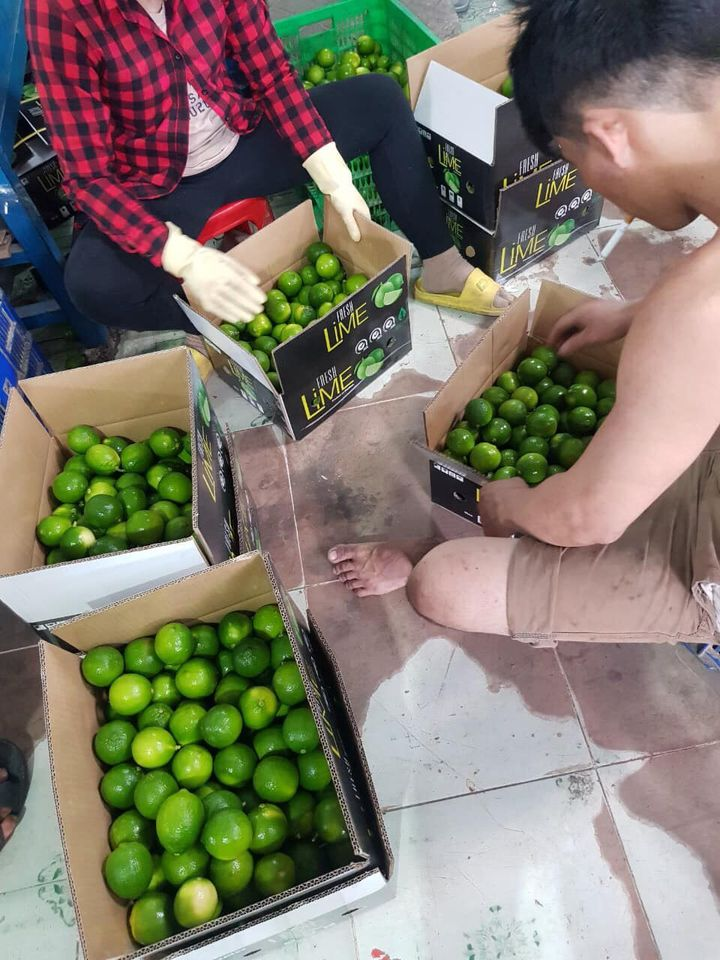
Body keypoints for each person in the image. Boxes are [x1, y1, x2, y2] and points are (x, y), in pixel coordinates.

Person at [329, 0, 720, 647]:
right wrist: (638, 315)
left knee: (444, 583)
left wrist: (508, 503)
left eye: (573, 161)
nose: (600, 192)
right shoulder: (691, 309)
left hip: (705, 557)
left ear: (610, 135)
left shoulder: (695, 311)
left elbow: (585, 516)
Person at [25, 0, 511, 335]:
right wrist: (180, 256)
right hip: (157, 182)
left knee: (380, 101)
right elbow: (88, 177)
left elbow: (270, 72)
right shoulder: (59, 12)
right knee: (92, 284)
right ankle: (217, 333)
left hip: (240, 136)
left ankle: (442, 267)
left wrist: (328, 167)